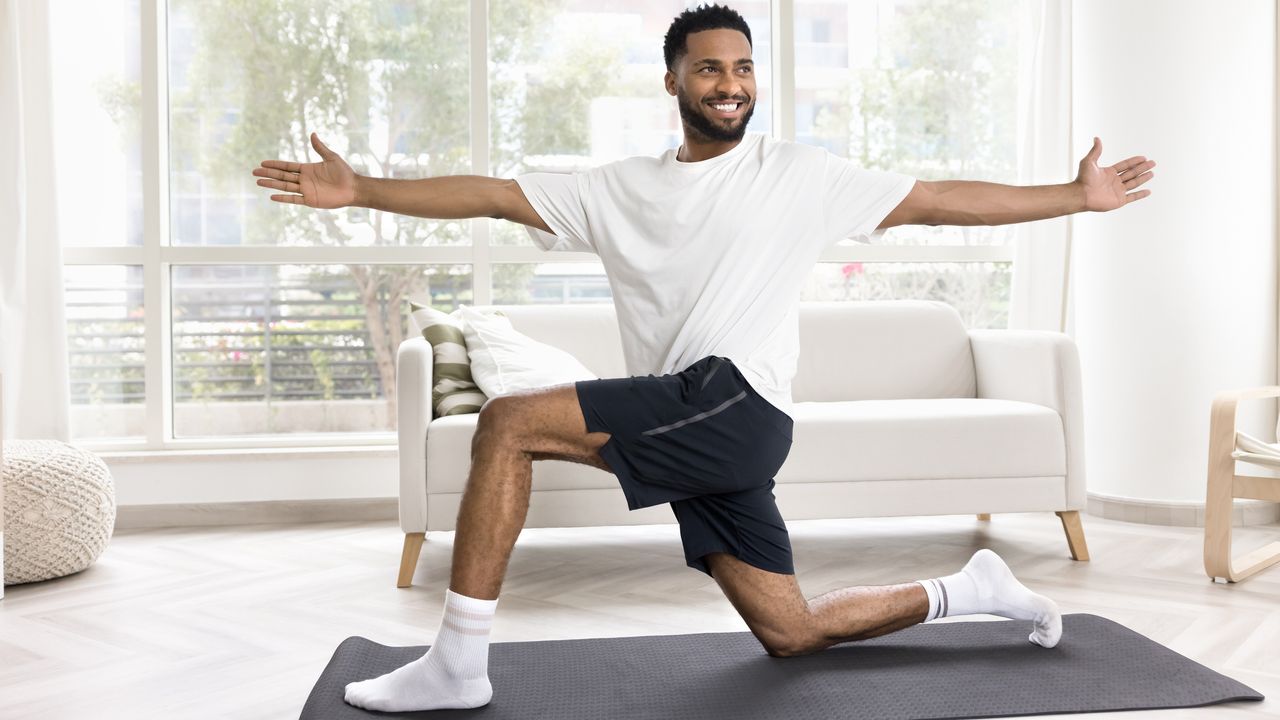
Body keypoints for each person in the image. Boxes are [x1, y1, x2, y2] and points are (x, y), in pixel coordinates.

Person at [253, 4, 1154, 713]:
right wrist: (364, 188)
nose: (732, 84)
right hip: (701, 420)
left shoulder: (797, 173)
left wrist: (1073, 197)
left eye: (744, 67)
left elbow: (941, 199)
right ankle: (969, 591)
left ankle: (457, 663)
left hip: (739, 403)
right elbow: (490, 193)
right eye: (711, 68)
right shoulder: (613, 190)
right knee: (790, 629)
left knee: (507, 422)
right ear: (675, 80)